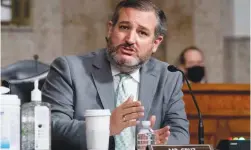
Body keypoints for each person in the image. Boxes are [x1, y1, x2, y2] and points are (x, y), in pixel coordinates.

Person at [42, 0, 189, 149]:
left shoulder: (168, 76)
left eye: (142, 33)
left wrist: (158, 145)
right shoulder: (69, 69)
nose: (130, 40)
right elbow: (50, 127)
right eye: (124, 27)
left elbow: (180, 135)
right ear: (110, 29)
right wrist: (106, 128)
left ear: (156, 43)